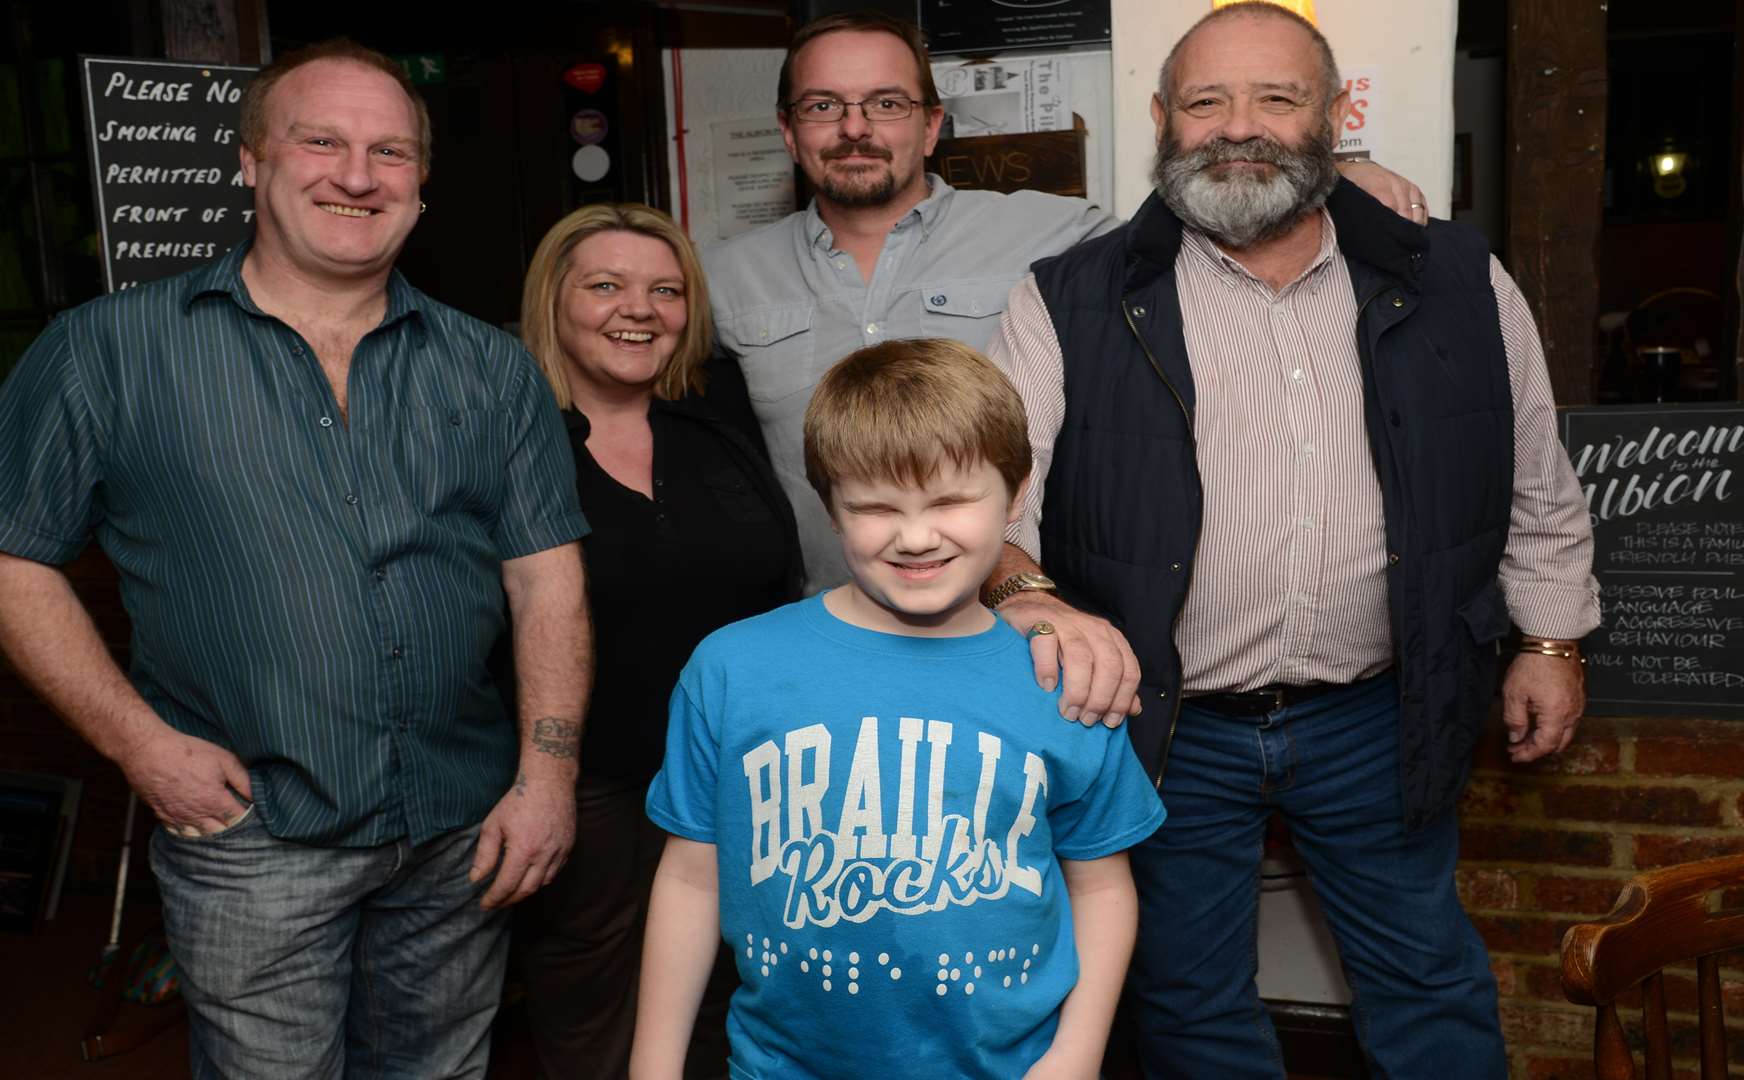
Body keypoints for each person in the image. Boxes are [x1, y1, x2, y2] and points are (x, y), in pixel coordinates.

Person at [0, 39, 592, 1078]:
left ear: (421, 180)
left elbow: (544, 573)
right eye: (320, 141)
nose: (357, 175)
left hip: (458, 830)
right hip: (252, 840)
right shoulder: (109, 350)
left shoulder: (489, 364)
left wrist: (547, 774)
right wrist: (138, 744)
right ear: (251, 162)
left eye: (390, 152)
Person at [983, 4, 1601, 1076]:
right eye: (1206, 101)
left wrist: (1550, 640)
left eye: (1277, 98)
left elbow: (1536, 478)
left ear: (1336, 116)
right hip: (1163, 728)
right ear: (1160, 118)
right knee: (1185, 1001)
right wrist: (1030, 591)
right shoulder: (1066, 299)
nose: (1239, 127)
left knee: (1429, 981)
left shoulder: (1457, 279)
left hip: (1380, 711)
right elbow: (989, 500)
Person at [700, 9, 1431, 734]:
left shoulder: (1056, 234)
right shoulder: (721, 279)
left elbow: (1220, 206)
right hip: (824, 645)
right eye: (824, 106)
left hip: (1007, 654)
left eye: (886, 103)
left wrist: (1334, 177)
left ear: (930, 125)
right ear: (789, 129)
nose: (855, 127)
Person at [631, 338, 1166, 1079]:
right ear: (830, 507)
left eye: (950, 501)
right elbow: (692, 876)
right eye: (875, 508)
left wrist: (1073, 1058)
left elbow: (1101, 886)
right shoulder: (732, 668)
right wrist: (652, 1066)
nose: (916, 537)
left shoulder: (1065, 676)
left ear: (1015, 495)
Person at [509, 202, 801, 1079]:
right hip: (592, 783)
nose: (640, 309)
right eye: (606, 286)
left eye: (666, 291)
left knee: (733, 987)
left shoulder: (718, 412)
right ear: (554, 302)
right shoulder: (509, 436)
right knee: (592, 991)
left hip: (741, 775)